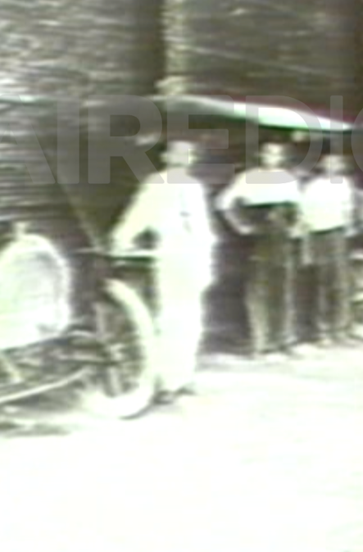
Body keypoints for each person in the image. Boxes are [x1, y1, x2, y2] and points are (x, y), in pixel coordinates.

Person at [111, 140, 217, 403]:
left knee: (193, 319)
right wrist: (121, 239)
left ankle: (184, 375)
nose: (183, 158)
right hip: (172, 252)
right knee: (171, 317)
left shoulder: (194, 187)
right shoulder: (156, 185)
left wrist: (207, 261)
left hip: (196, 255)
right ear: (166, 157)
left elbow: (203, 227)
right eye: (177, 154)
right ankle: (166, 382)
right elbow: (138, 216)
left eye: (188, 154)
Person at [216, 141, 302, 358]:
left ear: (281, 157)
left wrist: (295, 227)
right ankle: (259, 343)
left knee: (283, 289)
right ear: (260, 155)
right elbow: (223, 203)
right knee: (259, 290)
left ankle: (284, 341)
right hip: (259, 238)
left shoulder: (288, 179)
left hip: (282, 238)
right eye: (268, 153)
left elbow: (297, 207)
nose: (272, 157)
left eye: (276, 154)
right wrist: (241, 225)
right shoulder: (248, 177)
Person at [299, 153, 356, 345]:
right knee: (322, 283)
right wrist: (307, 244)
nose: (334, 167)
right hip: (319, 235)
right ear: (323, 166)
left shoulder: (344, 184)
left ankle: (341, 329)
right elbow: (305, 216)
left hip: (338, 235)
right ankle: (322, 331)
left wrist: (347, 229)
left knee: (341, 283)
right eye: (329, 164)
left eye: (337, 164)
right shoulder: (313, 187)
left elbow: (347, 210)